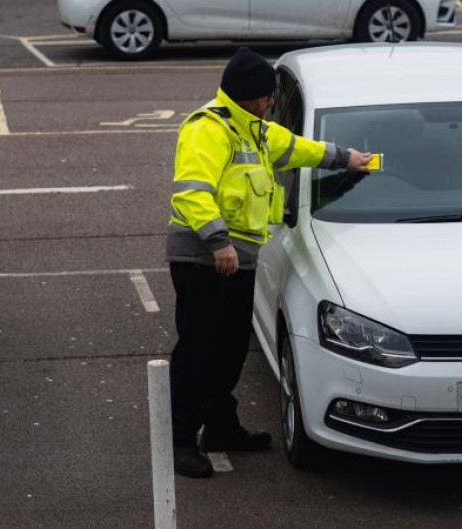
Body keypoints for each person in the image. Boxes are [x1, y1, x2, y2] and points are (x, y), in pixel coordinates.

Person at [166, 47, 373, 478]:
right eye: (268, 97)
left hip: (237, 259)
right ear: (249, 97)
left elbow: (297, 148)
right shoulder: (208, 129)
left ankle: (221, 427)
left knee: (228, 351)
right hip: (205, 259)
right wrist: (217, 242)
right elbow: (191, 192)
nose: (273, 104)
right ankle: (181, 441)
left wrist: (346, 158)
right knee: (198, 352)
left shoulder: (255, 129)